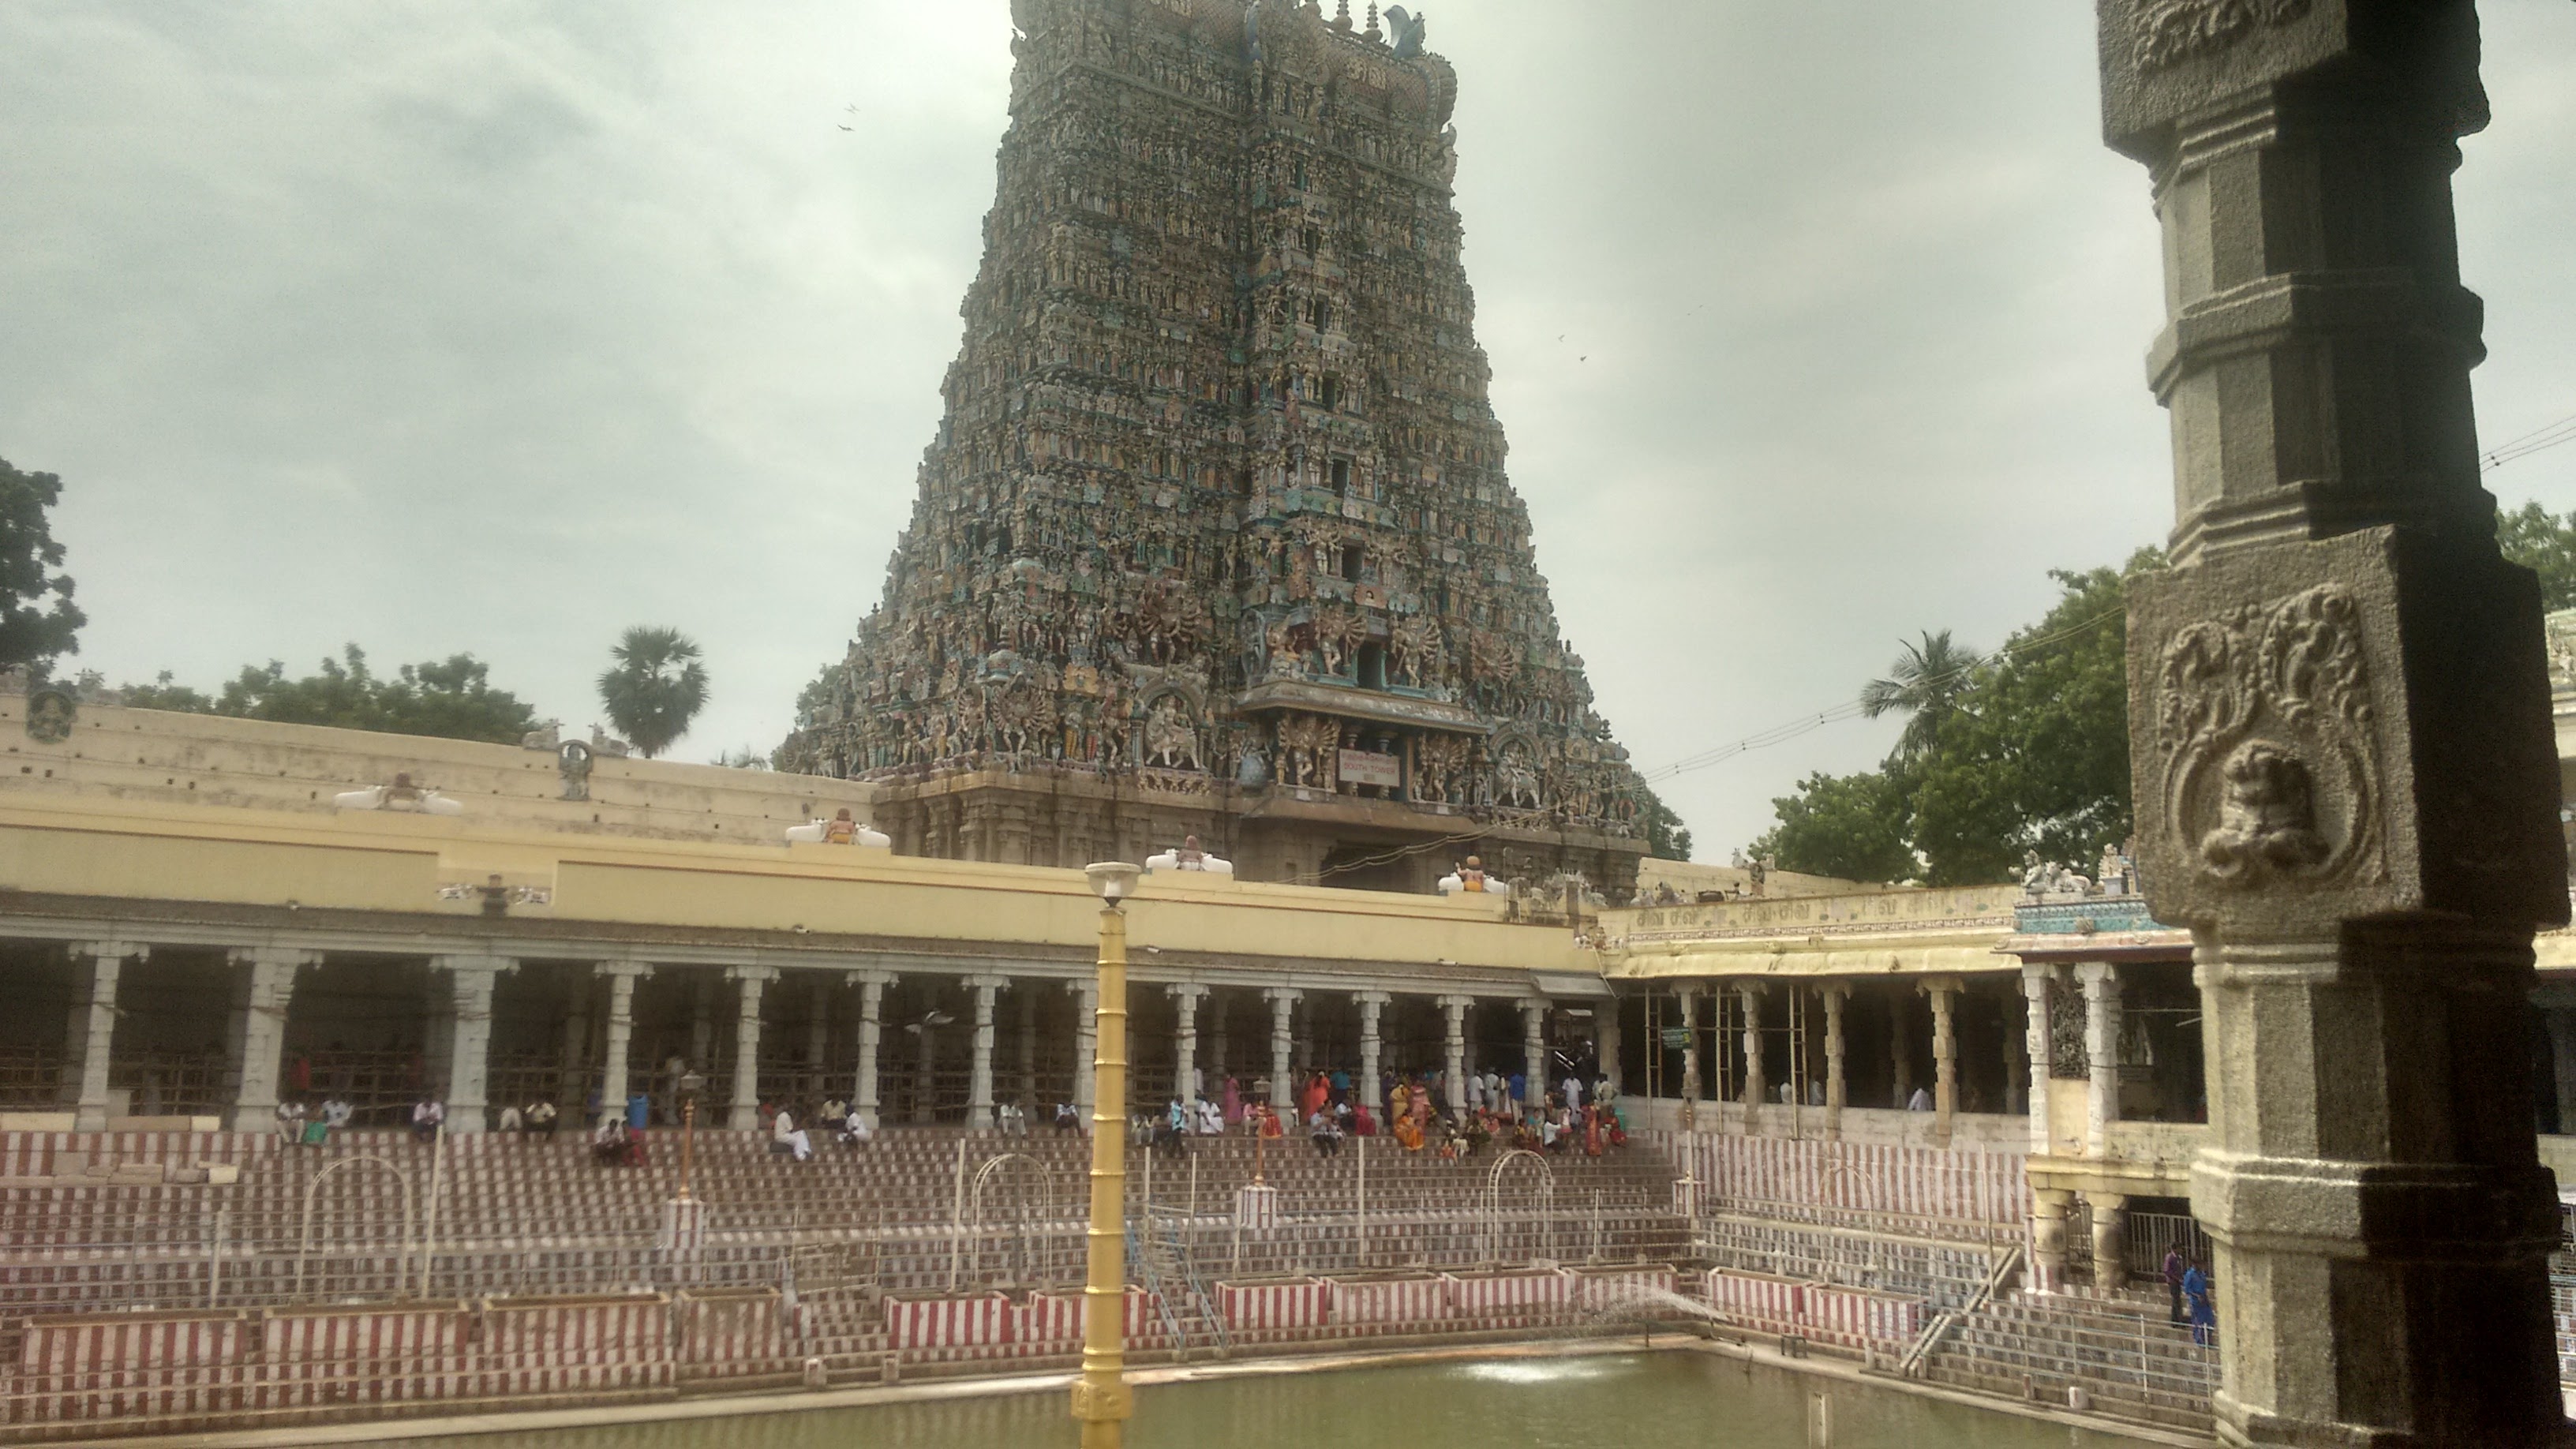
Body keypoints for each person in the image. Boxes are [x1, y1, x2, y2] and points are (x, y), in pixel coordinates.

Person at [2183, 1261, 2216, 1347]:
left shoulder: (2202, 1274)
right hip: (2195, 1302)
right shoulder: (2190, 1274)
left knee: (2210, 1320)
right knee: (2198, 1322)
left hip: (2204, 1300)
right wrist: (2197, 1295)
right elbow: (2187, 1289)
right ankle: (2200, 1341)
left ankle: (2208, 1339)